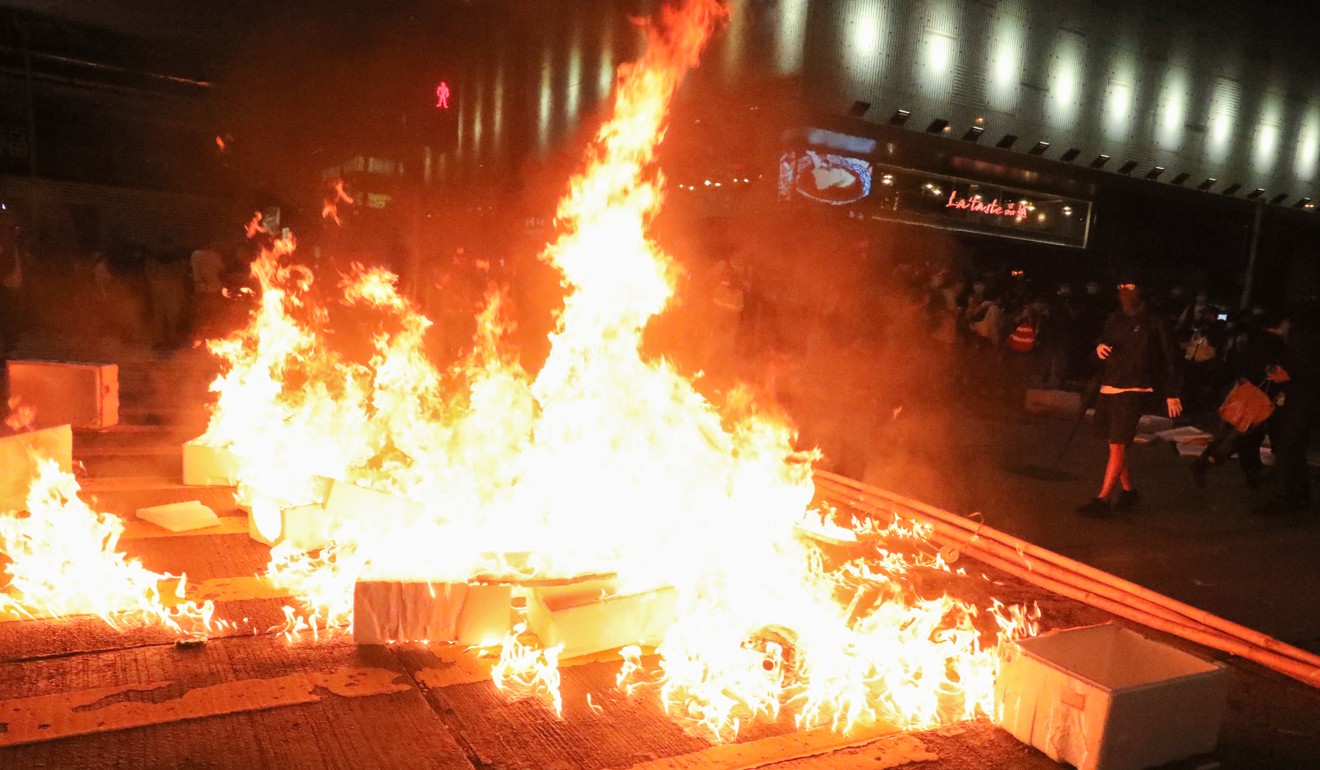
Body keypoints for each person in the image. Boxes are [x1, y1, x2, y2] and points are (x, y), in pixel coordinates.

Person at [1077, 281, 1183, 517]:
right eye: (1122, 287)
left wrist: (1172, 393)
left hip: (1136, 388)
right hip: (1110, 386)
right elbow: (1102, 345)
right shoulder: (1114, 318)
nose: (1125, 292)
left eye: (1131, 286)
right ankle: (1129, 491)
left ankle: (1102, 499)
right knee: (1114, 444)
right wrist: (1098, 350)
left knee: (1117, 444)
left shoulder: (1153, 321)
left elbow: (1170, 358)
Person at [1191, 311, 1288, 489]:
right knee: (1242, 435)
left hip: (1241, 391)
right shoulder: (1277, 344)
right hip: (1258, 398)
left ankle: (1246, 470)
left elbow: (1238, 362)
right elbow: (1278, 373)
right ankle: (1209, 463)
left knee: (1230, 431)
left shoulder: (1252, 339)